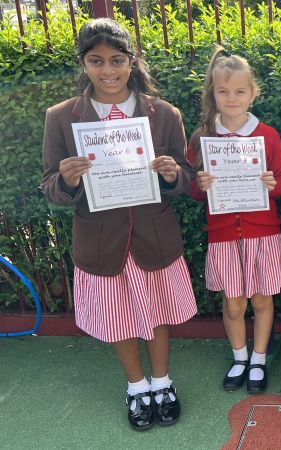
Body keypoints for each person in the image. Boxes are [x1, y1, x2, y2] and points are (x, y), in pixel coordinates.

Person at [40, 18, 196, 431]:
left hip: (153, 237)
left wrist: (171, 175)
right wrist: (67, 180)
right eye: (96, 61)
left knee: (157, 312)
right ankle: (137, 387)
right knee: (118, 317)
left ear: (132, 61)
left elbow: (186, 177)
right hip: (102, 241)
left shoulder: (164, 114)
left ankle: (162, 382)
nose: (107, 70)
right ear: (83, 63)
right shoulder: (62, 117)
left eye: (116, 60)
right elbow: (50, 185)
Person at [187, 48, 281, 394]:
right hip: (223, 235)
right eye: (223, 91)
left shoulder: (267, 135)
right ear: (213, 94)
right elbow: (192, 189)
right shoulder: (203, 137)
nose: (231, 98)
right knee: (233, 302)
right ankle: (239, 357)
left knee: (261, 299)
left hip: (263, 233)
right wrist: (200, 185)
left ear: (253, 93)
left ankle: (258, 359)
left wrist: (273, 184)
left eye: (239, 91)